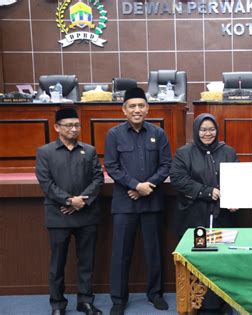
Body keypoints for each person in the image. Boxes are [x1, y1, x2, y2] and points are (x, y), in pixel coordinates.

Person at [104, 87, 172, 315]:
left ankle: (155, 294)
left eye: (141, 105)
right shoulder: (114, 134)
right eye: (132, 106)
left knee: (154, 251)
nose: (137, 110)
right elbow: (111, 167)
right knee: (121, 253)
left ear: (147, 108)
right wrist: (135, 186)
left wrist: (146, 187)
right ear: (124, 110)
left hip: (151, 203)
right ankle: (118, 299)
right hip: (125, 204)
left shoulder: (158, 133)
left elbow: (165, 165)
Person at [35, 108, 104, 315]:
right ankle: (57, 304)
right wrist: (68, 200)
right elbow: (46, 183)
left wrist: (81, 201)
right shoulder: (45, 152)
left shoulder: (89, 150)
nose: (74, 129)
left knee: (86, 261)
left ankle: (85, 301)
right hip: (59, 215)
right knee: (57, 263)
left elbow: (98, 179)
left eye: (77, 125)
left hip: (86, 213)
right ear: (57, 127)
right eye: (69, 125)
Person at [170, 113, 238, 314]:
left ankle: (223, 302)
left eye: (211, 129)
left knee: (222, 260)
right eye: (203, 129)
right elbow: (178, 179)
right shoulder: (184, 153)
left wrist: (235, 199)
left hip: (222, 217)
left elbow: (237, 180)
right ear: (196, 131)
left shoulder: (228, 151)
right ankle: (197, 303)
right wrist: (206, 191)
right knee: (198, 259)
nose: (208, 133)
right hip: (195, 217)